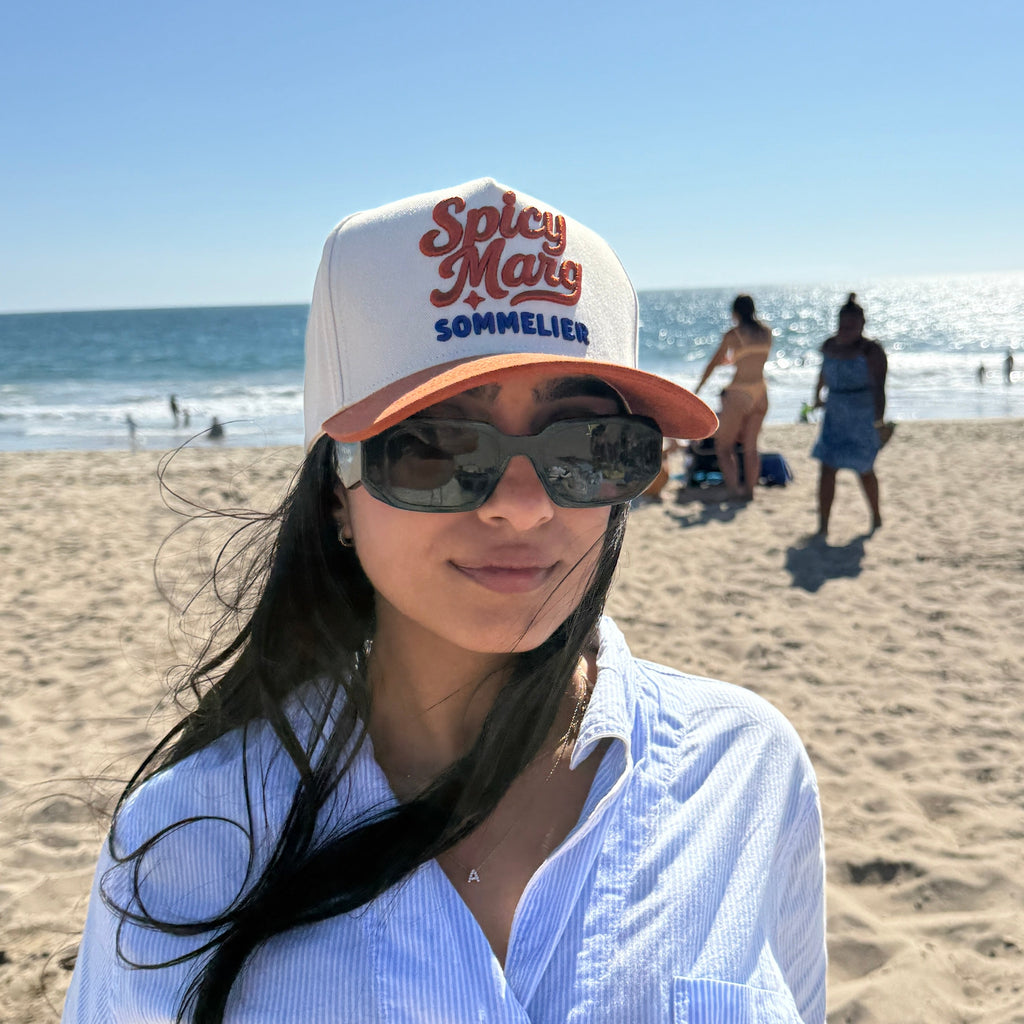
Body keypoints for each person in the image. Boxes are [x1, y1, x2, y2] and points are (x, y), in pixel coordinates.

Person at [62, 179, 826, 1024]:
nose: (524, 504)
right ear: (335, 495)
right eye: (434, 447)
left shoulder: (744, 772)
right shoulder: (184, 839)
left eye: (589, 445)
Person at [811, 293, 887, 537]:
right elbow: (822, 373)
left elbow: (880, 387)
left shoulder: (871, 350)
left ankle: (876, 516)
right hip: (834, 414)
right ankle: (823, 525)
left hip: (862, 415)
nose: (846, 329)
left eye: (851, 325)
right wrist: (816, 396)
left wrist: (879, 421)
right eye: (843, 324)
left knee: (864, 469)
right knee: (827, 470)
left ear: (862, 325)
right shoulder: (830, 345)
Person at [694, 294, 773, 500]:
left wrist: (699, 388)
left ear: (735, 313)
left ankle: (734, 490)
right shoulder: (766, 332)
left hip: (740, 392)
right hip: (761, 392)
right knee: (751, 447)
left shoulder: (733, 334)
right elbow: (753, 358)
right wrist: (733, 359)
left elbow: (712, 363)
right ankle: (750, 491)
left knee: (724, 446)